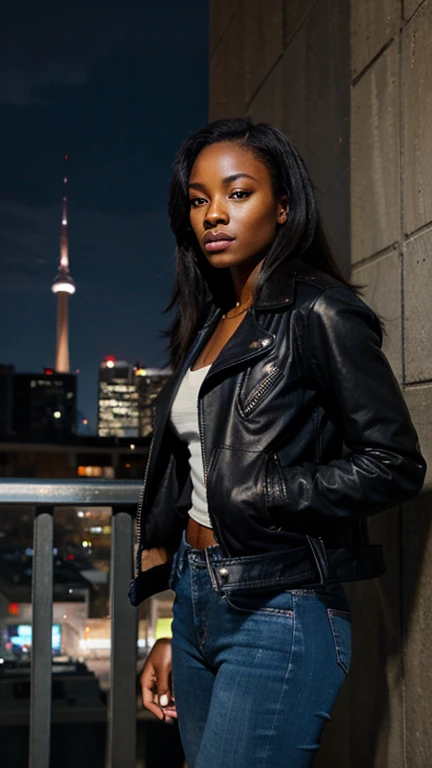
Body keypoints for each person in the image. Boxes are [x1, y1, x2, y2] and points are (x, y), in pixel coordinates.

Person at [129, 118, 426, 768]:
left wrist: (271, 490)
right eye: (200, 199)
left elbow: (396, 464)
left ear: (283, 205)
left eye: (237, 193)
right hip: (199, 601)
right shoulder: (208, 324)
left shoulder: (320, 312)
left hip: (281, 611)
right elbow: (193, 495)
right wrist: (173, 629)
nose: (214, 214)